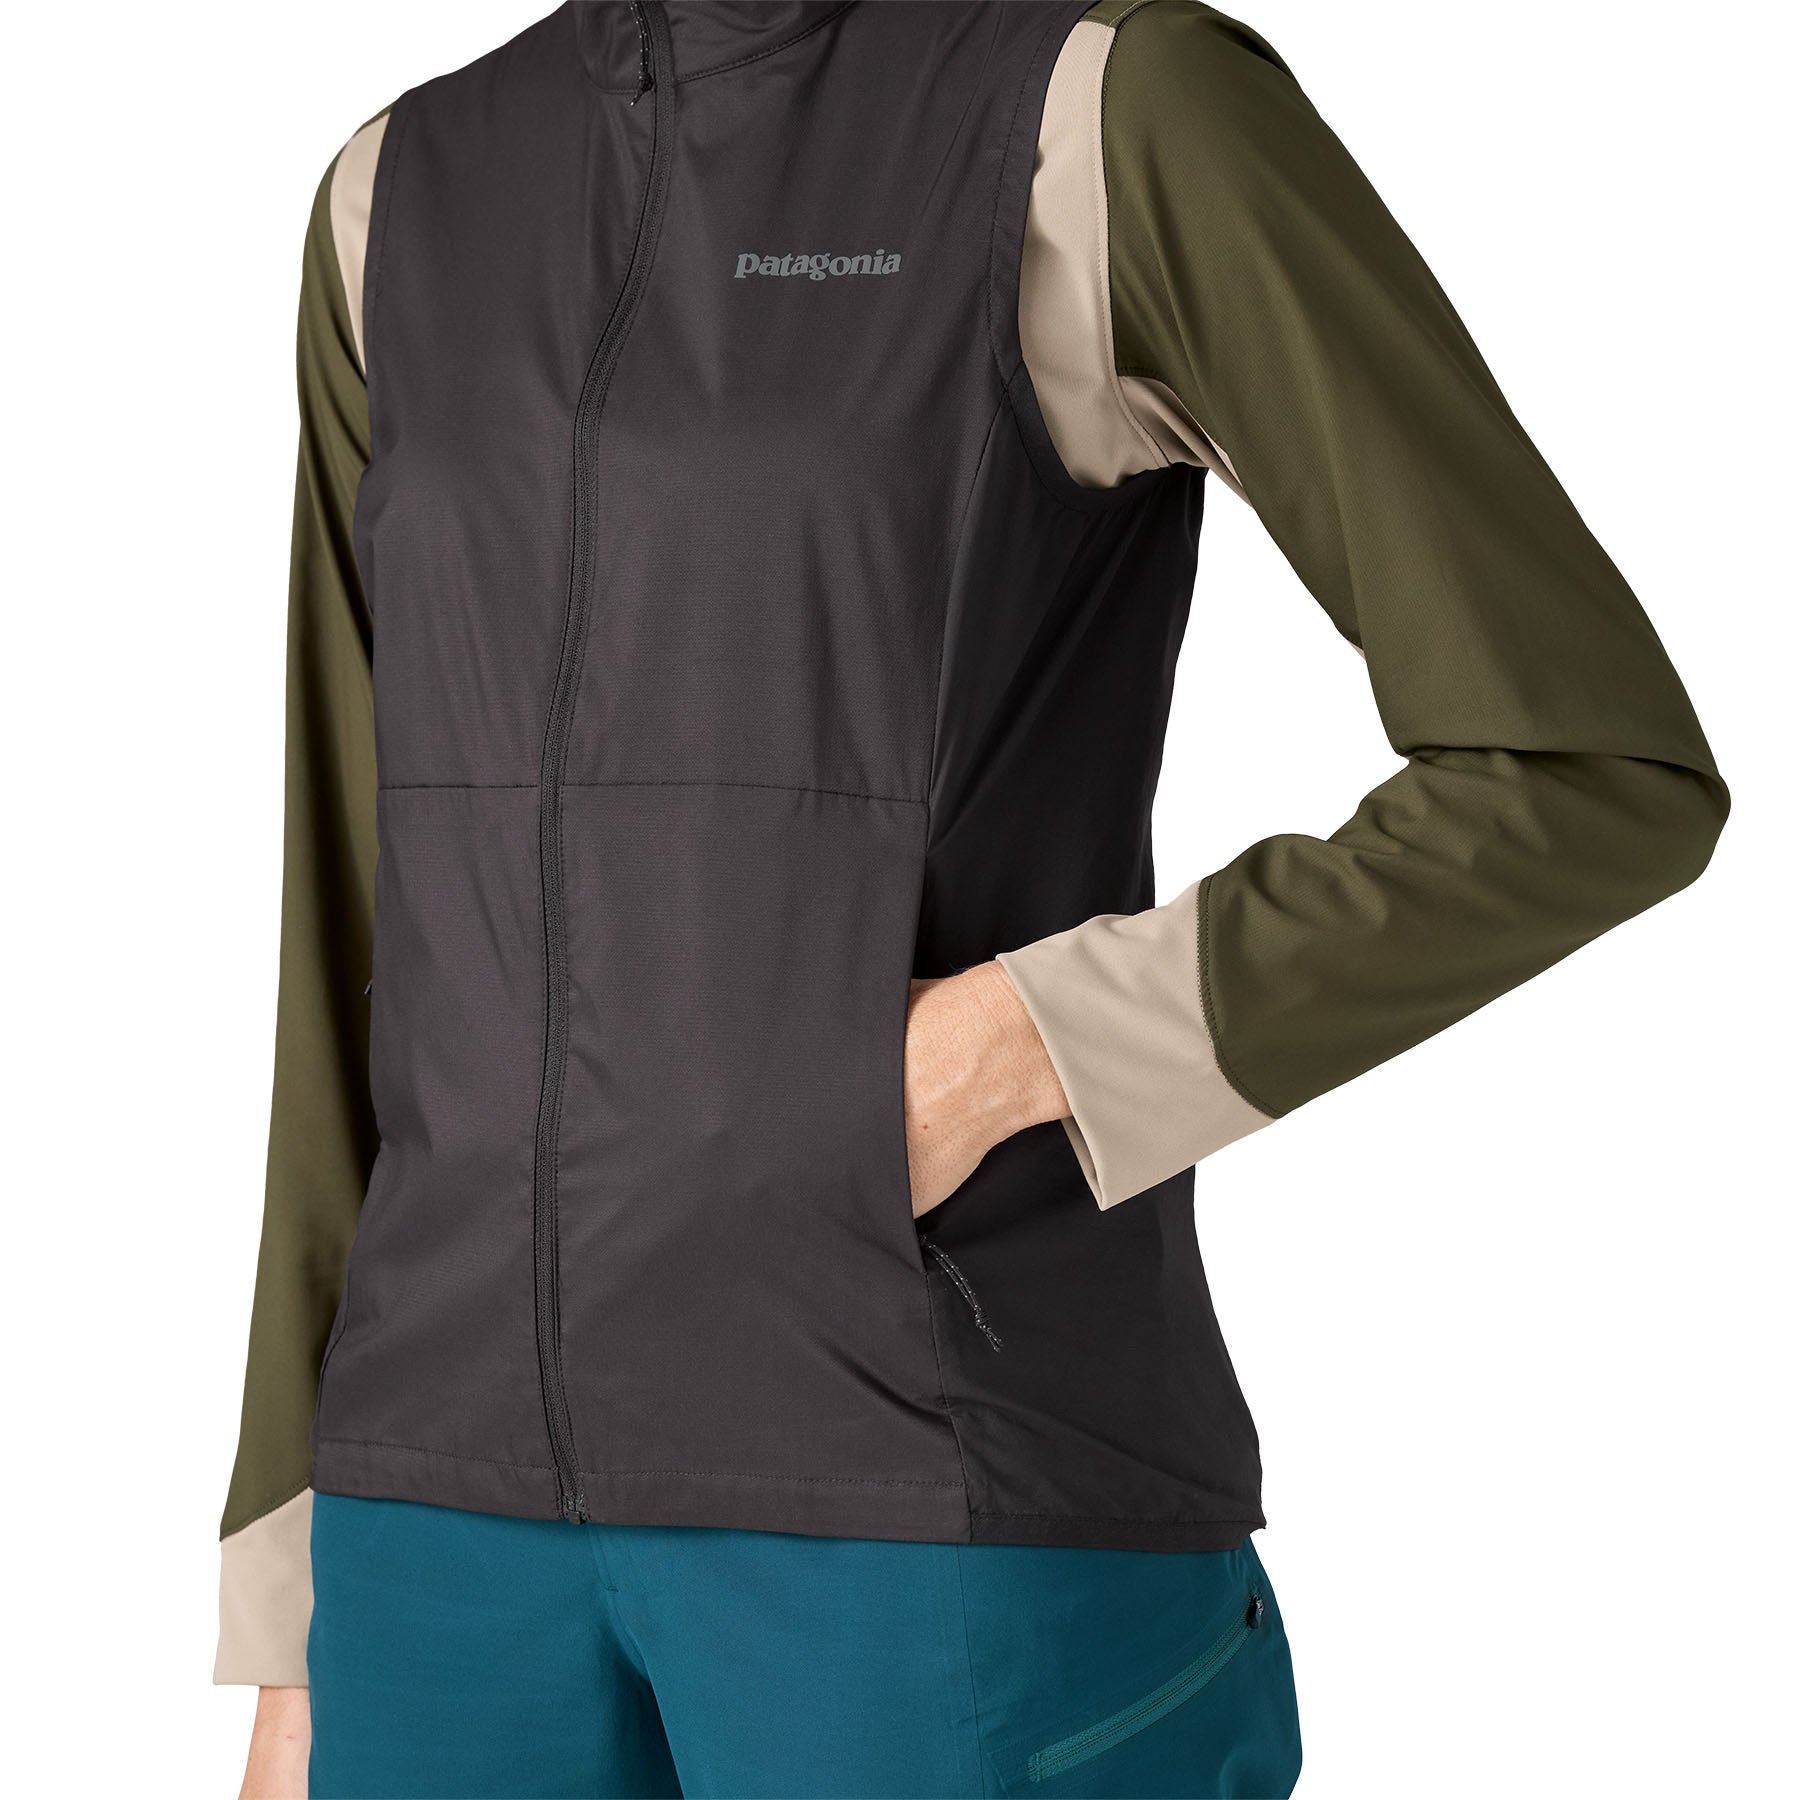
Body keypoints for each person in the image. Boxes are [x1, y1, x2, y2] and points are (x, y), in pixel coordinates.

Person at [218, 4, 1726, 1795]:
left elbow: (1583, 767)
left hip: (926, 1501)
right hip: (437, 1542)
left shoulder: (1096, 111)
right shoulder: (404, 188)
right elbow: (353, 909)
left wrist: (1023, 1046)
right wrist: (295, 1603)